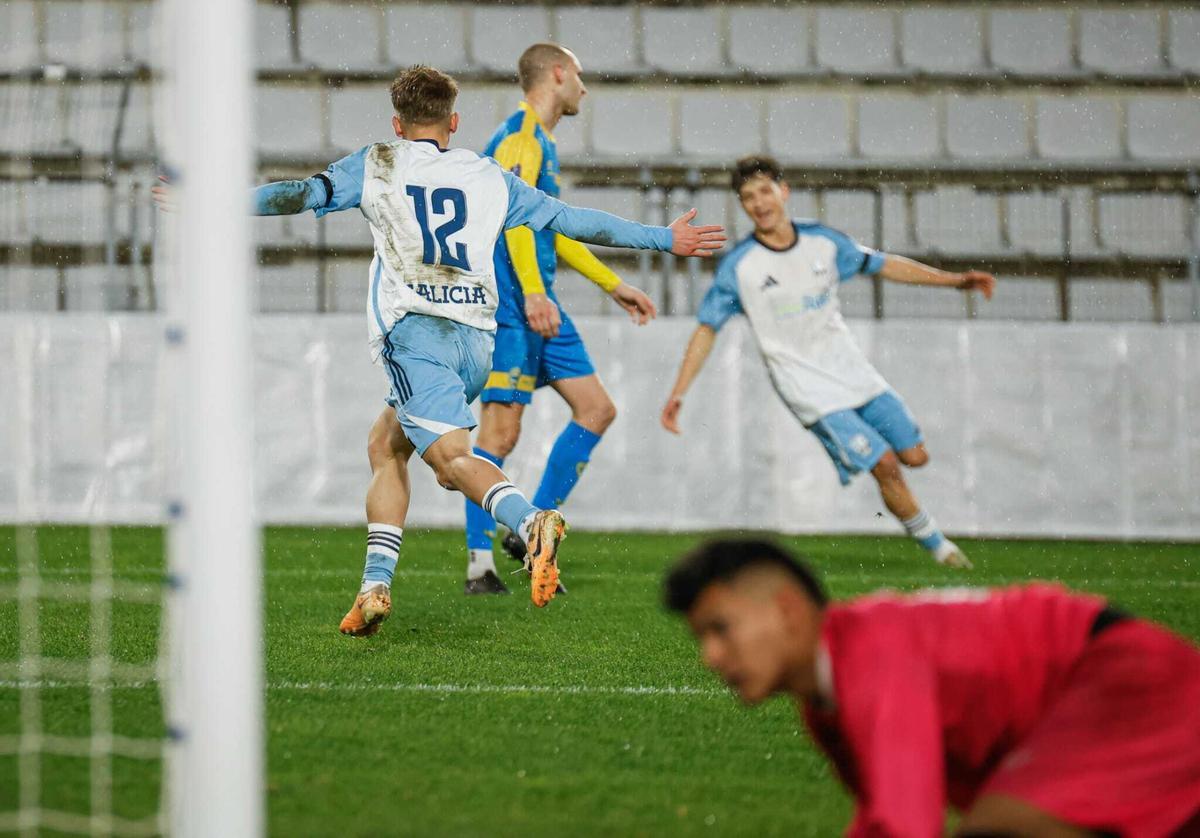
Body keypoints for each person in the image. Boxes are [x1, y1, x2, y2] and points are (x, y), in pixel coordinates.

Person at [157, 65, 725, 630]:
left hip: (417, 335)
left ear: (397, 124)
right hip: (477, 344)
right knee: (386, 444)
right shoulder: (487, 174)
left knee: (452, 464)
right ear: (453, 121)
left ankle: (530, 525)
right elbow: (572, 220)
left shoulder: (380, 161)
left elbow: (299, 195)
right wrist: (660, 238)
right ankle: (374, 587)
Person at [665, 539, 1200, 837]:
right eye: (701, 638)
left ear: (787, 609)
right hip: (1106, 695)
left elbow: (908, 827)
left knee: (1001, 832)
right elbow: (880, 820)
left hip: (1126, 682)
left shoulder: (871, 658)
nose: (710, 656)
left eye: (721, 629)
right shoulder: (825, 699)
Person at [661, 156, 996, 568]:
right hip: (807, 389)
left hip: (854, 372)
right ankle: (941, 550)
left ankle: (929, 533)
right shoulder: (740, 267)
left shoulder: (825, 242)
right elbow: (706, 329)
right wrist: (679, 392)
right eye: (748, 197)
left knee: (914, 457)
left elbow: (884, 264)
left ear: (784, 191)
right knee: (885, 464)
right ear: (742, 206)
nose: (759, 203)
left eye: (765, 191)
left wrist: (955, 280)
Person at [462, 43, 658, 595]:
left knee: (596, 409)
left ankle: (531, 530)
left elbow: (552, 230)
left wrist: (614, 284)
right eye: (579, 74)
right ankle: (480, 566)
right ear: (557, 74)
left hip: (538, 298)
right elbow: (514, 225)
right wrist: (530, 293)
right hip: (512, 304)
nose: (584, 87)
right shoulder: (521, 138)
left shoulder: (540, 141)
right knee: (500, 431)